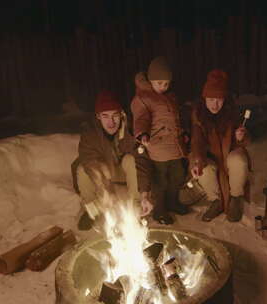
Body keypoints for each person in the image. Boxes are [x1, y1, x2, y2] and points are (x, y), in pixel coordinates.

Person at [71, 90, 153, 230]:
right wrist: (105, 189)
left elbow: (141, 161)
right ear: (98, 117)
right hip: (104, 172)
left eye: (115, 116)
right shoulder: (90, 134)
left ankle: (136, 207)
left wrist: (144, 193)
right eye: (105, 116)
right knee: (81, 169)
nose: (111, 122)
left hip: (121, 170)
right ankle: (91, 210)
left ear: (121, 115)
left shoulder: (130, 130)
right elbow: (90, 162)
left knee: (130, 159)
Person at [131, 56, 190, 225]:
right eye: (159, 83)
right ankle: (159, 210)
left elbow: (176, 119)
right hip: (157, 148)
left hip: (174, 147)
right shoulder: (143, 98)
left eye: (166, 84)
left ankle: (173, 201)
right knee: (160, 181)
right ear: (150, 81)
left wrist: (183, 132)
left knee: (177, 176)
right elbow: (141, 118)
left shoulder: (170, 98)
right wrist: (143, 134)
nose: (163, 87)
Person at [189, 69, 251, 222]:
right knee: (203, 168)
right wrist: (197, 160)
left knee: (238, 160)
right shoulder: (199, 116)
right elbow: (197, 142)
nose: (214, 104)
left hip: (229, 156)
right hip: (210, 158)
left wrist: (240, 137)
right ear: (204, 99)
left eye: (219, 100)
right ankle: (215, 201)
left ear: (225, 99)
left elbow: (245, 139)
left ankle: (236, 198)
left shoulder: (232, 114)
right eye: (210, 99)